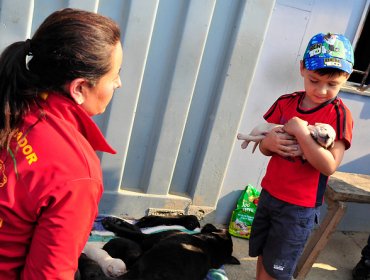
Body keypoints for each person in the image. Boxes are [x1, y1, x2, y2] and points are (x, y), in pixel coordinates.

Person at [0, 8, 122, 279]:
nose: (119, 83)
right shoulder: (76, 173)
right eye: (114, 75)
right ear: (79, 88)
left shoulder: (16, 100)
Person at [248, 32, 354, 280]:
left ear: (346, 78)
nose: (322, 90)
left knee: (279, 270)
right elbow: (264, 148)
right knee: (264, 255)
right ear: (302, 68)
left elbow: (329, 166)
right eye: (314, 80)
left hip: (298, 208)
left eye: (333, 84)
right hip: (269, 194)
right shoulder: (286, 102)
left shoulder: (340, 115)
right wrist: (269, 143)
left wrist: (300, 132)